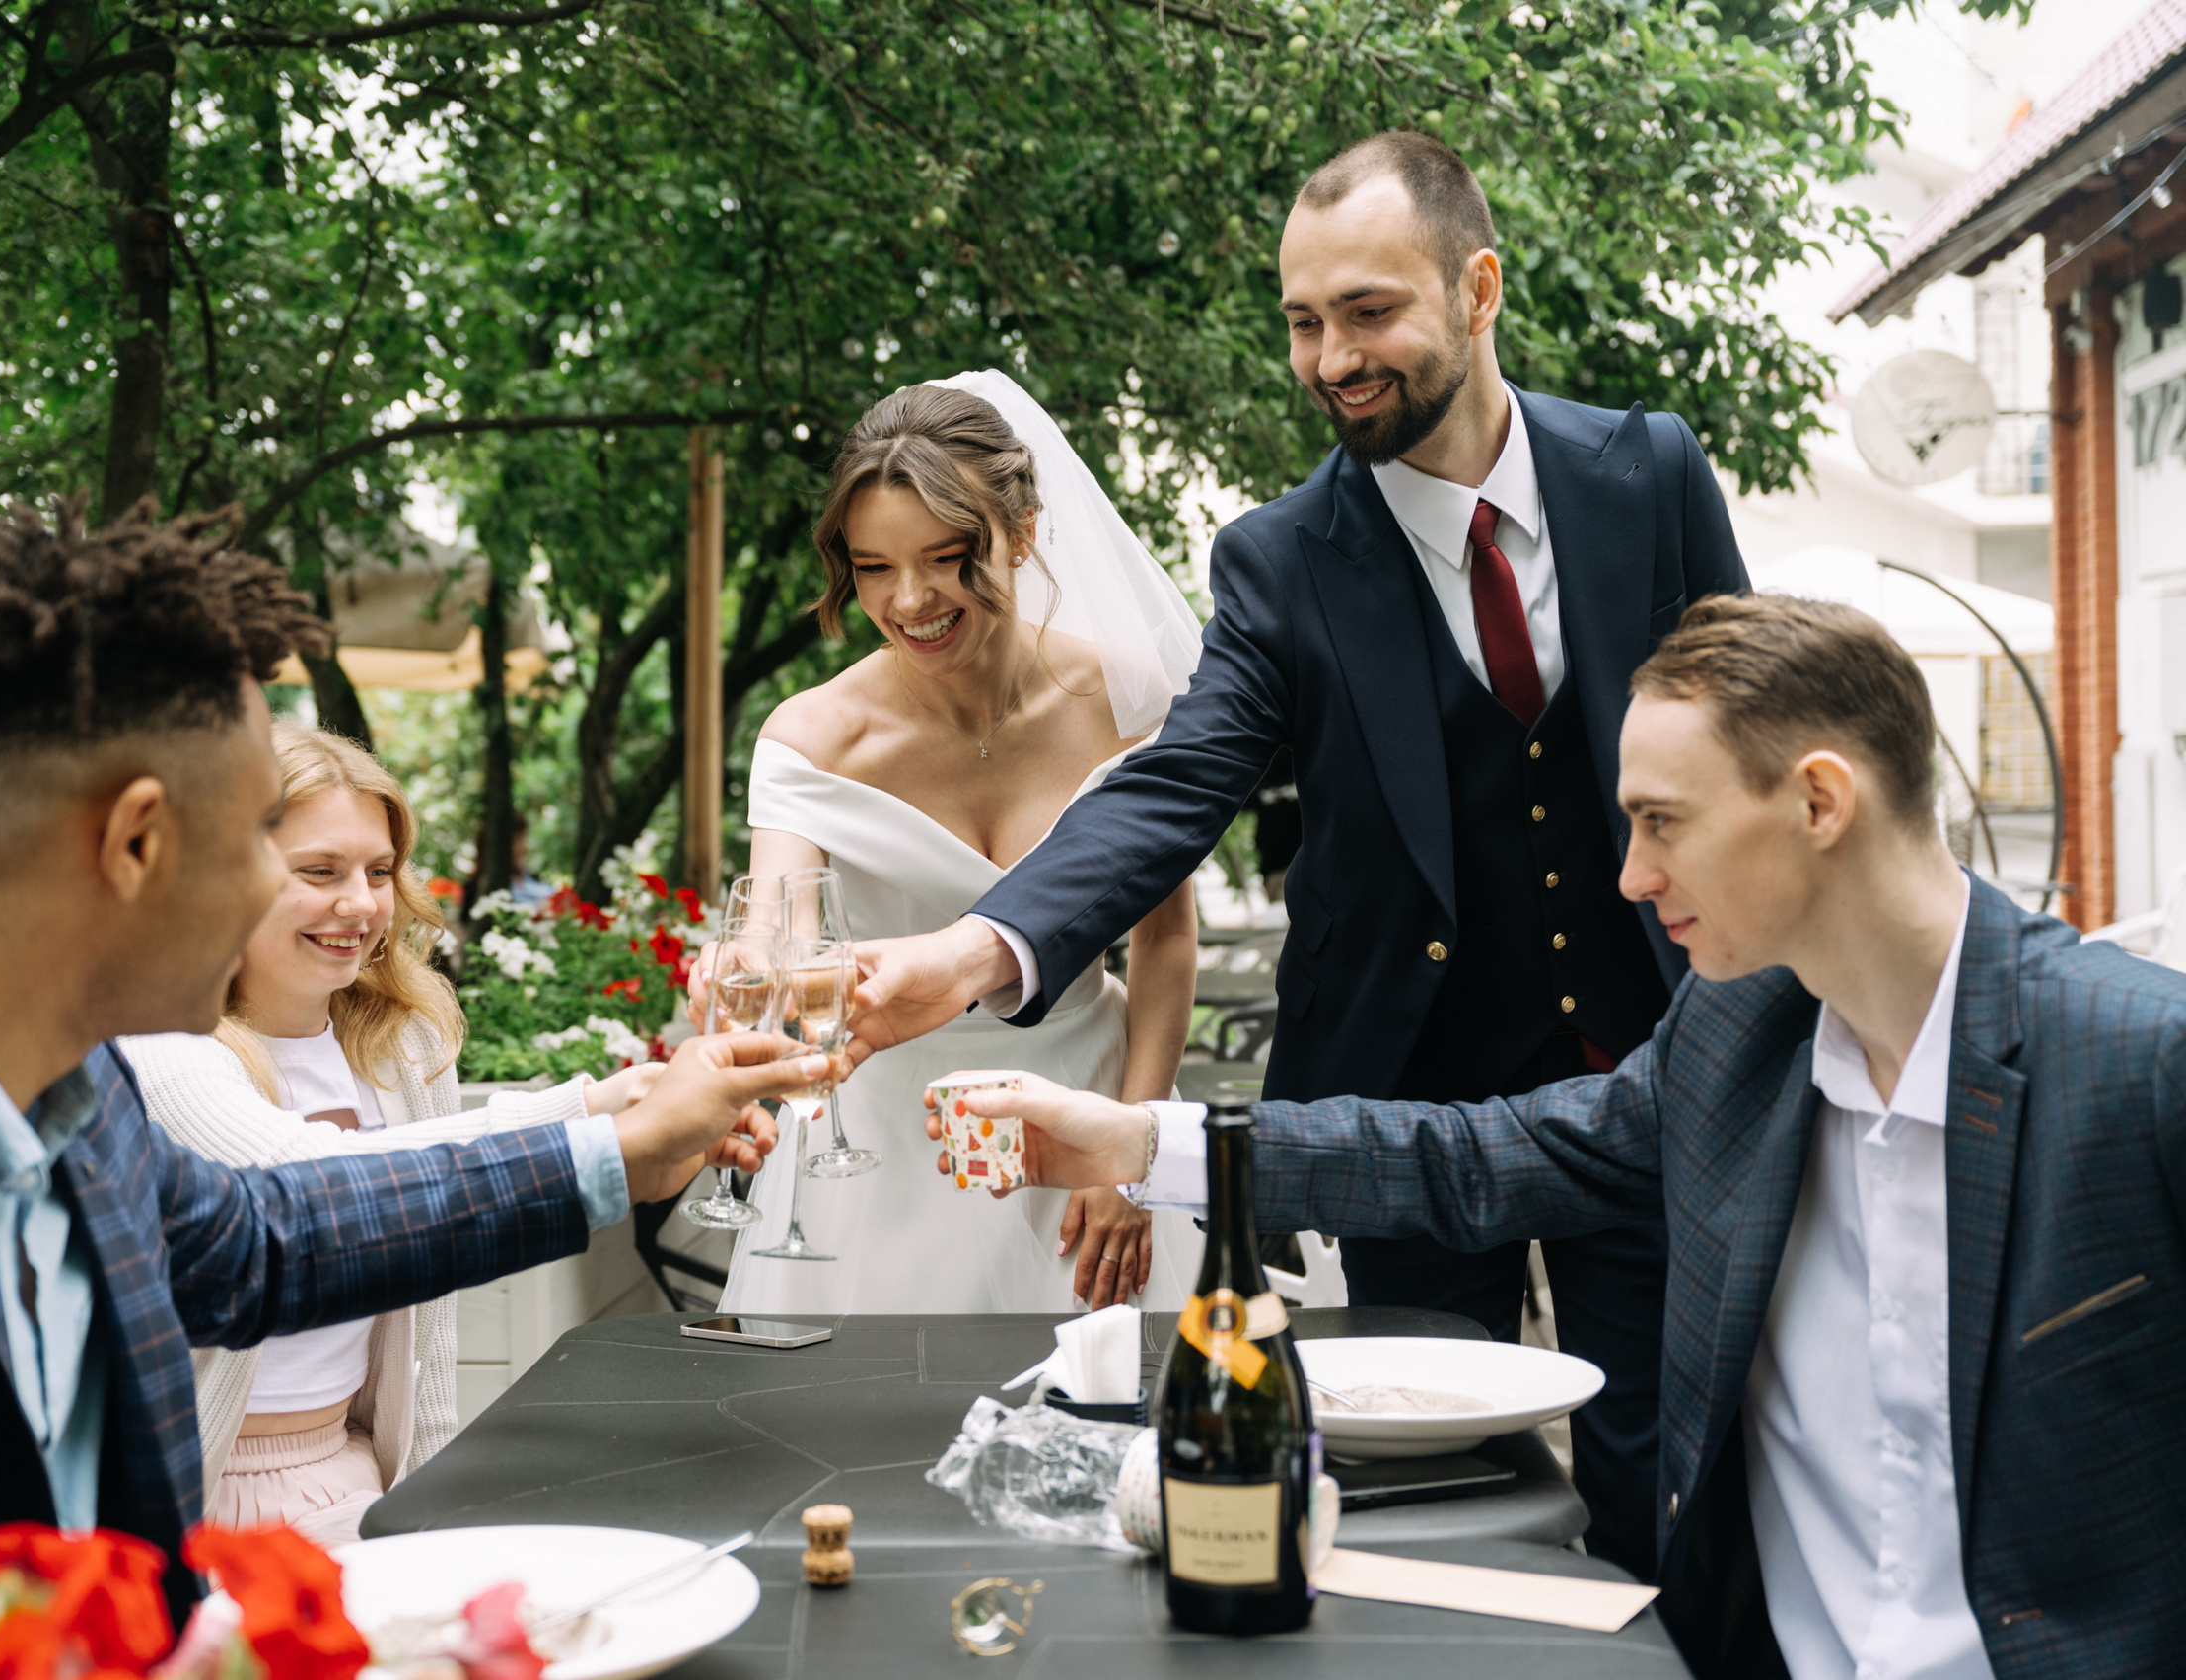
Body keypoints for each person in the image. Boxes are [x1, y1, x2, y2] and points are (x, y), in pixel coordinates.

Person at [0, 501, 823, 1670]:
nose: (320, 904)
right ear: (135, 844)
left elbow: (261, 1241)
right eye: (254, 850)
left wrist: (618, 1150)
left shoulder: (62, 1079)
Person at [934, 594, 2183, 1680]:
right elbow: (1472, 1160)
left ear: (1817, 800)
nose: (1632, 876)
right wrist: (1134, 1144)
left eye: (1662, 821)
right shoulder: (1733, 1039)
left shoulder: (2139, 1065)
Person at [845, 132, 1748, 1575]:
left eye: (1369, 312)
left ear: (1478, 289)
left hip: (1641, 1075)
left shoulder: (1647, 473)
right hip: (1392, 1096)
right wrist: (976, 952)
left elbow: (1748, 731)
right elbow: (1179, 783)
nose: (1332, 359)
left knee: (1667, 1483)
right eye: (1303, 322)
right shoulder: (1276, 557)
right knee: (1425, 1497)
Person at [719, 372, 1204, 1316]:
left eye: (947, 557)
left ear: (1022, 532)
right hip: (884, 1152)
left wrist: (1132, 1148)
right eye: (872, 567)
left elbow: (1166, 941)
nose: (910, 600)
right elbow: (778, 935)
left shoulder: (1128, 701)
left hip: (1098, 1099)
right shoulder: (812, 739)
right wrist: (749, 971)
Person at [120, 724, 662, 1545]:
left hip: (350, 1473)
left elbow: (427, 1340)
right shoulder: (162, 1049)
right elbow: (310, 1190)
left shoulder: (401, 1044)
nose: (363, 904)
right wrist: (591, 1113)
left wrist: (429, 1510)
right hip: (189, 1502)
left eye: (379, 871)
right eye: (319, 872)